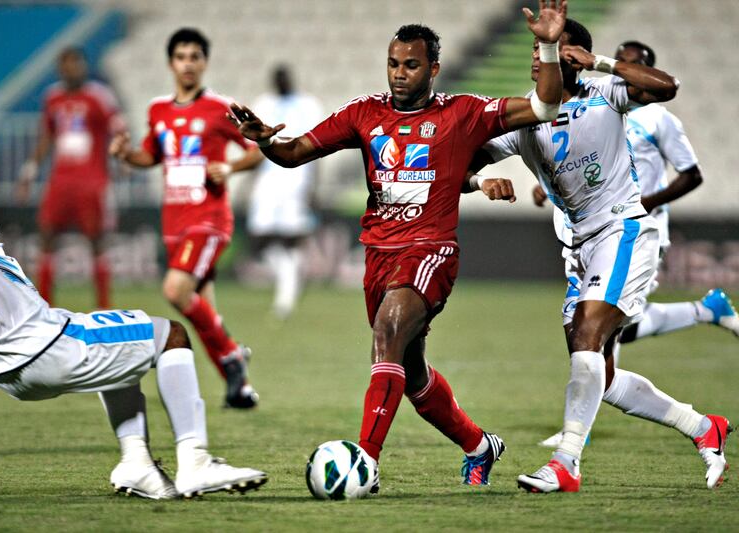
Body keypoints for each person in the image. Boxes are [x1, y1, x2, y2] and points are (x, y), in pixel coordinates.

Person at [228, 0, 568, 491]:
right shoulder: (364, 114)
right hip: (378, 255)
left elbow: (544, 106)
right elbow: (295, 151)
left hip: (431, 250)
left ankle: (363, 462)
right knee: (408, 373)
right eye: (393, 64)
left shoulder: (462, 114)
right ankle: (479, 445)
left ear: (433, 68)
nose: (399, 74)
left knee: (387, 335)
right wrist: (264, 141)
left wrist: (552, 44)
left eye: (411, 65)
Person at [0, 111, 267, 500]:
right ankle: (195, 461)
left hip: (0, 370)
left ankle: (137, 464)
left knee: (119, 350)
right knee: (171, 335)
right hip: (44, 346)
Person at [466, 20, 732, 492]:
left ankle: (566, 463)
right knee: (598, 375)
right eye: (535, 46)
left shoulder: (605, 89)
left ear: (577, 57)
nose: (537, 55)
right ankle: (702, 427)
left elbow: (667, 87)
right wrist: (478, 181)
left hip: (623, 228)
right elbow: (465, 160)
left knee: (588, 335)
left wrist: (602, 62)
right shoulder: (525, 114)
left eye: (550, 47)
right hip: (579, 247)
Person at [534, 39, 738, 450]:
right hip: (586, 237)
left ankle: (572, 445)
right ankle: (700, 416)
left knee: (596, 329)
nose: (624, 68)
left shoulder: (655, 117)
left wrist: (646, 201)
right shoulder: (581, 108)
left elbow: (691, 174)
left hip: (634, 229)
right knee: (604, 345)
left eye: (633, 64)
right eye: (621, 60)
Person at [110, 28, 264, 408]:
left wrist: (228, 168)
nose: (188, 64)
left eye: (195, 56)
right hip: (173, 224)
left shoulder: (219, 108)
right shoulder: (158, 110)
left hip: (208, 220)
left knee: (176, 291)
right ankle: (239, 386)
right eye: (181, 57)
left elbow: (257, 150)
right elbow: (151, 155)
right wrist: (125, 154)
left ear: (204, 62)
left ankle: (231, 357)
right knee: (204, 311)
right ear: (170, 64)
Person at [17, 47, 126, 309]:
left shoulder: (98, 96)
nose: (71, 69)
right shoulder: (53, 97)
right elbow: (47, 136)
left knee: (96, 241)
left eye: (75, 63)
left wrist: (122, 157)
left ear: (83, 66)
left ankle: (103, 307)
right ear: (59, 68)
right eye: (65, 64)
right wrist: (30, 169)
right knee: (46, 236)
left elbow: (118, 128)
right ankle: (44, 306)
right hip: (60, 181)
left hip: (92, 182)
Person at [247, 65, 323, 320]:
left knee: (291, 238)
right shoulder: (263, 103)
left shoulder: (308, 105)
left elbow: (317, 147)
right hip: (268, 180)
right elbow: (255, 148)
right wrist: (250, 182)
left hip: (296, 178)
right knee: (259, 237)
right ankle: (289, 280)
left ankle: (286, 295)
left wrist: (314, 185)